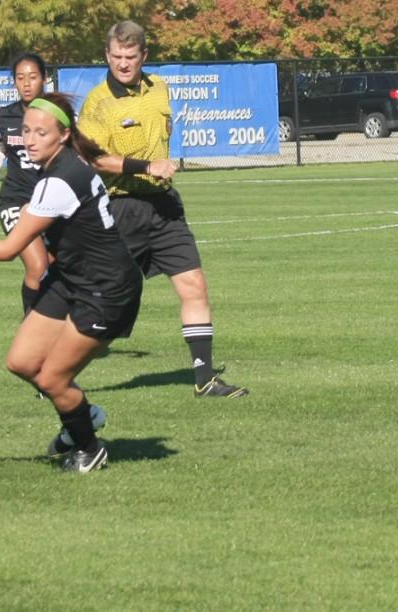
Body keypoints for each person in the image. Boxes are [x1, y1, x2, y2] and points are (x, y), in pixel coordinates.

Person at [0, 93, 142, 473]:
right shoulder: (58, 168)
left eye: (41, 132)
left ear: (64, 136)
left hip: (107, 289)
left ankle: (89, 447)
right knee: (21, 361)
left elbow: (10, 249)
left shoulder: (60, 180)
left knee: (54, 378)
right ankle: (81, 416)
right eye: (25, 132)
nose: (30, 140)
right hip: (72, 279)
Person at [77, 20, 249, 398]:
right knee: (104, 301)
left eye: (131, 57)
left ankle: (205, 379)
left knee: (194, 286)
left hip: (165, 207)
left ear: (144, 56)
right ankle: (52, 368)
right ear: (107, 55)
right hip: (122, 208)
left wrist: (160, 169)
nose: (123, 63)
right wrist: (145, 167)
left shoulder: (160, 89)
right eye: (117, 56)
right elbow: (93, 159)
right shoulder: (97, 102)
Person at [0, 52, 49, 314]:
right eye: (20, 78)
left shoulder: (59, 115)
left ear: (45, 79)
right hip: (15, 201)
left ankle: (49, 327)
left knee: (54, 268)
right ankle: (30, 332)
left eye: (33, 77)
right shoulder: (4, 116)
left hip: (51, 203)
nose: (27, 83)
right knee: (38, 266)